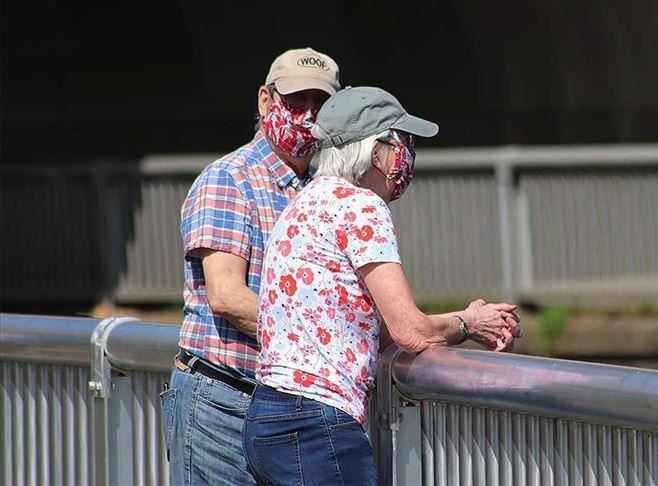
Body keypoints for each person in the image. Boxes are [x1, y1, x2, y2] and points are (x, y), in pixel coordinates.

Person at [243, 86, 524, 486]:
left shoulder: (305, 202)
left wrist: (466, 320)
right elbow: (410, 331)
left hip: (267, 416)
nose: (407, 154)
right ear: (376, 152)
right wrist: (469, 323)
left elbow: (368, 327)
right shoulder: (361, 206)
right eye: (402, 142)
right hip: (316, 426)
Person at [161, 47, 340, 485]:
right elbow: (227, 297)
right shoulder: (229, 179)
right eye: (296, 101)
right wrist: (321, 344)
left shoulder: (324, 190)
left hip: (291, 406)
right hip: (221, 402)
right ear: (265, 100)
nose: (308, 114)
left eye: (321, 103)